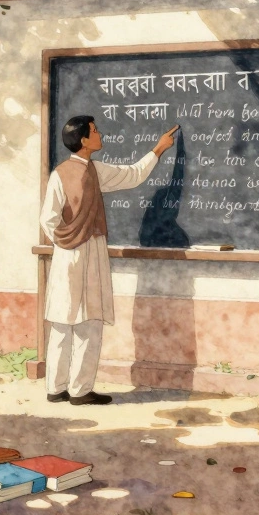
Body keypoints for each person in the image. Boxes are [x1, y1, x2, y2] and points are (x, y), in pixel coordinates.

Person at [40, 117, 178, 404]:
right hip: (76, 254)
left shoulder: (94, 170)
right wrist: (70, 240)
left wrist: (158, 149)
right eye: (95, 131)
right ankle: (66, 389)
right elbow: (48, 219)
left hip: (81, 253)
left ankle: (69, 389)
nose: (100, 134)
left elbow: (133, 174)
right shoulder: (63, 173)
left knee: (77, 320)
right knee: (73, 321)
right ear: (83, 140)